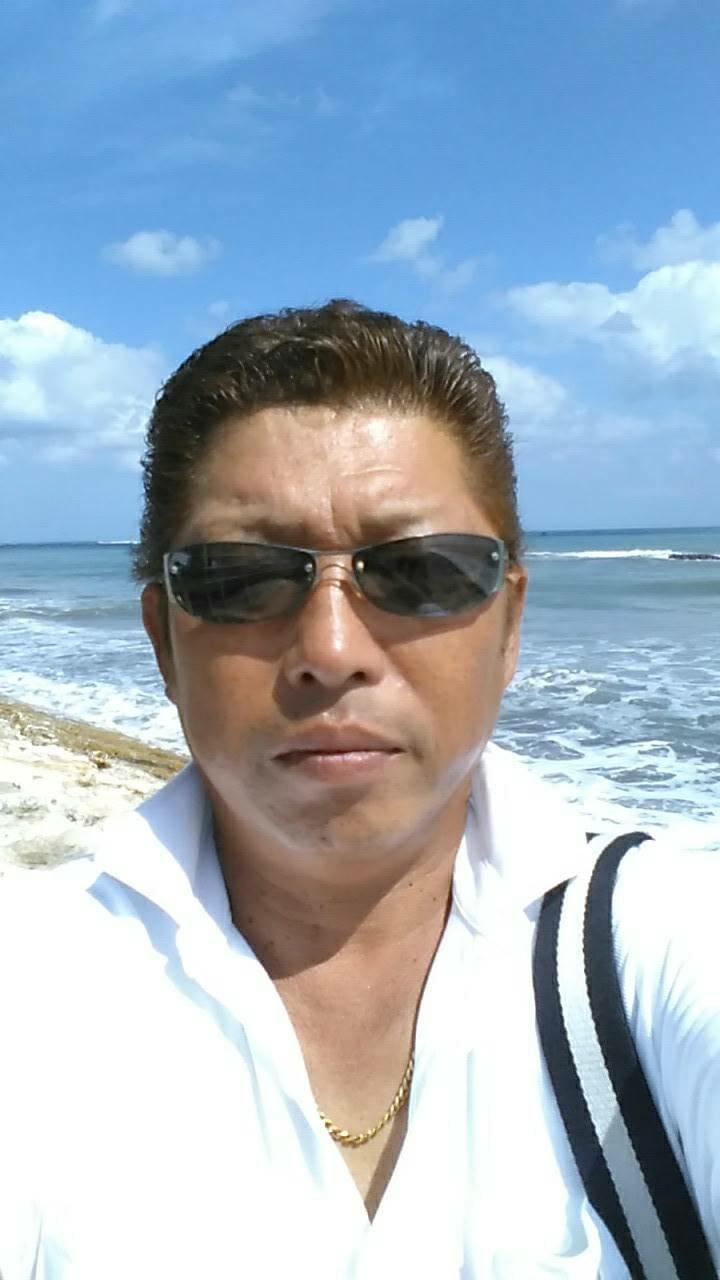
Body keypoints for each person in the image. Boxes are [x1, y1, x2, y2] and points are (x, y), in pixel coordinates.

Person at [0, 300, 718, 1279]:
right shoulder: (35, 984)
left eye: (421, 570)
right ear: (164, 638)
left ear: (509, 628)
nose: (332, 650)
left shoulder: (660, 946)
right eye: (240, 578)